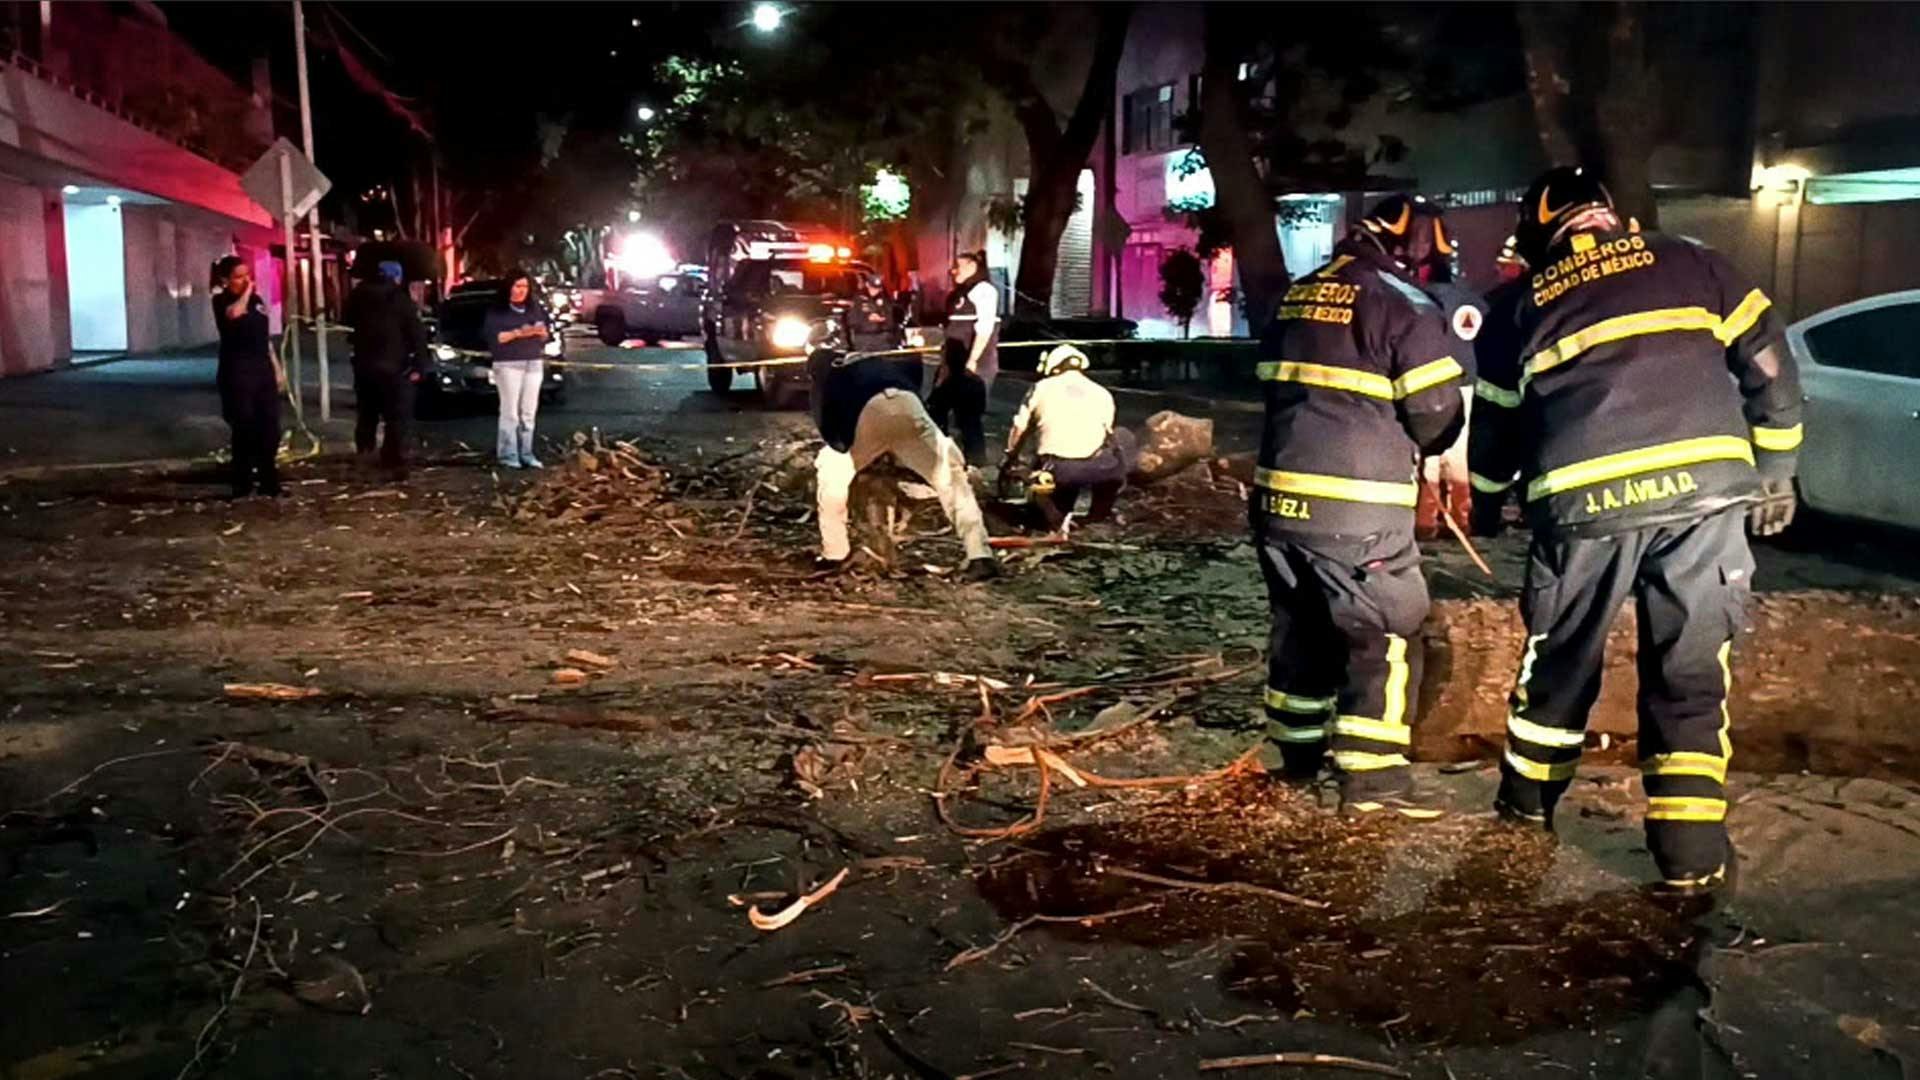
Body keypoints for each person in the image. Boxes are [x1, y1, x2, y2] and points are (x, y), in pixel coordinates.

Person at [1469, 166, 1802, 896]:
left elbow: (1493, 431)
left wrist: (1488, 509)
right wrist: (1776, 470)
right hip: (1707, 502)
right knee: (1689, 680)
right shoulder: (1693, 260)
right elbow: (1771, 367)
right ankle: (1691, 859)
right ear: (1610, 218)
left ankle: (1523, 820)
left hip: (1584, 509)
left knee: (1558, 669)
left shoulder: (1520, 305)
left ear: (1539, 234)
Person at [1251, 193, 1466, 810]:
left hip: (1278, 506)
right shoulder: (1403, 305)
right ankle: (1373, 783)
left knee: (1302, 627)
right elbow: (1434, 413)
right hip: (1357, 511)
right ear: (1410, 247)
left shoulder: (1297, 294)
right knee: (1387, 632)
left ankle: (1295, 759)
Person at [808, 347, 998, 582]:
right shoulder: (877, 363)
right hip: (909, 404)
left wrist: (852, 454)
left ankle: (834, 554)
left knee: (830, 474)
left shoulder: (828, 376)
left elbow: (829, 429)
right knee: (951, 479)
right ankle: (980, 556)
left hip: (871, 412)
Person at [1002, 345, 1136, 530]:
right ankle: (1097, 516)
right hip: (1100, 470)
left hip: (1058, 470)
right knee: (1118, 443)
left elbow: (1019, 429)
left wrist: (1011, 458)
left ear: (1053, 367)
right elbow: (1108, 436)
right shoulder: (1101, 392)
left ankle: (1055, 518)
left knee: (1040, 485)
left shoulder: (1041, 388)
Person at [1413, 219, 1485, 541]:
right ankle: (1462, 517)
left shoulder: (1415, 299)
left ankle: (1426, 521)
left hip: (1427, 382)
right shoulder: (1471, 299)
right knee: (1459, 455)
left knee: (1426, 453)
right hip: (1466, 383)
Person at [342, 259, 429, 480]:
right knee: (396, 416)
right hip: (394, 367)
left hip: (364, 366)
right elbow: (416, 333)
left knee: (367, 414)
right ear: (396, 277)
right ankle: (392, 460)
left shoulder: (358, 296)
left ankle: (365, 455)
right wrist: (420, 365)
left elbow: (347, 323)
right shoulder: (400, 299)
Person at [211, 255, 284, 498]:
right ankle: (242, 483)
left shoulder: (257, 301)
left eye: (247, 275)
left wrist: (276, 368)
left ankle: (269, 481)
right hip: (237, 371)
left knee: (270, 428)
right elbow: (234, 314)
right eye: (239, 277)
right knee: (244, 428)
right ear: (225, 280)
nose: (245, 281)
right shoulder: (222, 301)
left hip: (261, 369)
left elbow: (264, 339)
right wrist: (246, 292)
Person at [927, 250, 999, 464]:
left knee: (968, 416)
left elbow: (984, 329)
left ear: (971, 267)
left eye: (958, 266)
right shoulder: (958, 294)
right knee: (936, 408)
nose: (952, 271)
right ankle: (942, 456)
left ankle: (976, 462)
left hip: (972, 365)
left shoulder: (983, 290)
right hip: (952, 363)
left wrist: (973, 360)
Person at [482, 270, 550, 469]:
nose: (521, 291)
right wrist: (521, 332)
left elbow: (545, 332)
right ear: (509, 287)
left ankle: (526, 453)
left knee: (528, 412)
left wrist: (541, 333)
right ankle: (508, 454)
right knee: (510, 412)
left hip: (533, 362)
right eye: (517, 286)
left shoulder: (534, 308)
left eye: (525, 287)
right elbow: (497, 337)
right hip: (508, 364)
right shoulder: (497, 311)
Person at [849, 272, 900, 354]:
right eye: (873, 288)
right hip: (864, 340)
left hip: (882, 340)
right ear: (867, 284)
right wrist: (867, 319)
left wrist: (882, 319)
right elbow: (852, 320)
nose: (875, 291)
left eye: (877, 288)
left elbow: (892, 321)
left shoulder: (885, 300)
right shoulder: (858, 300)